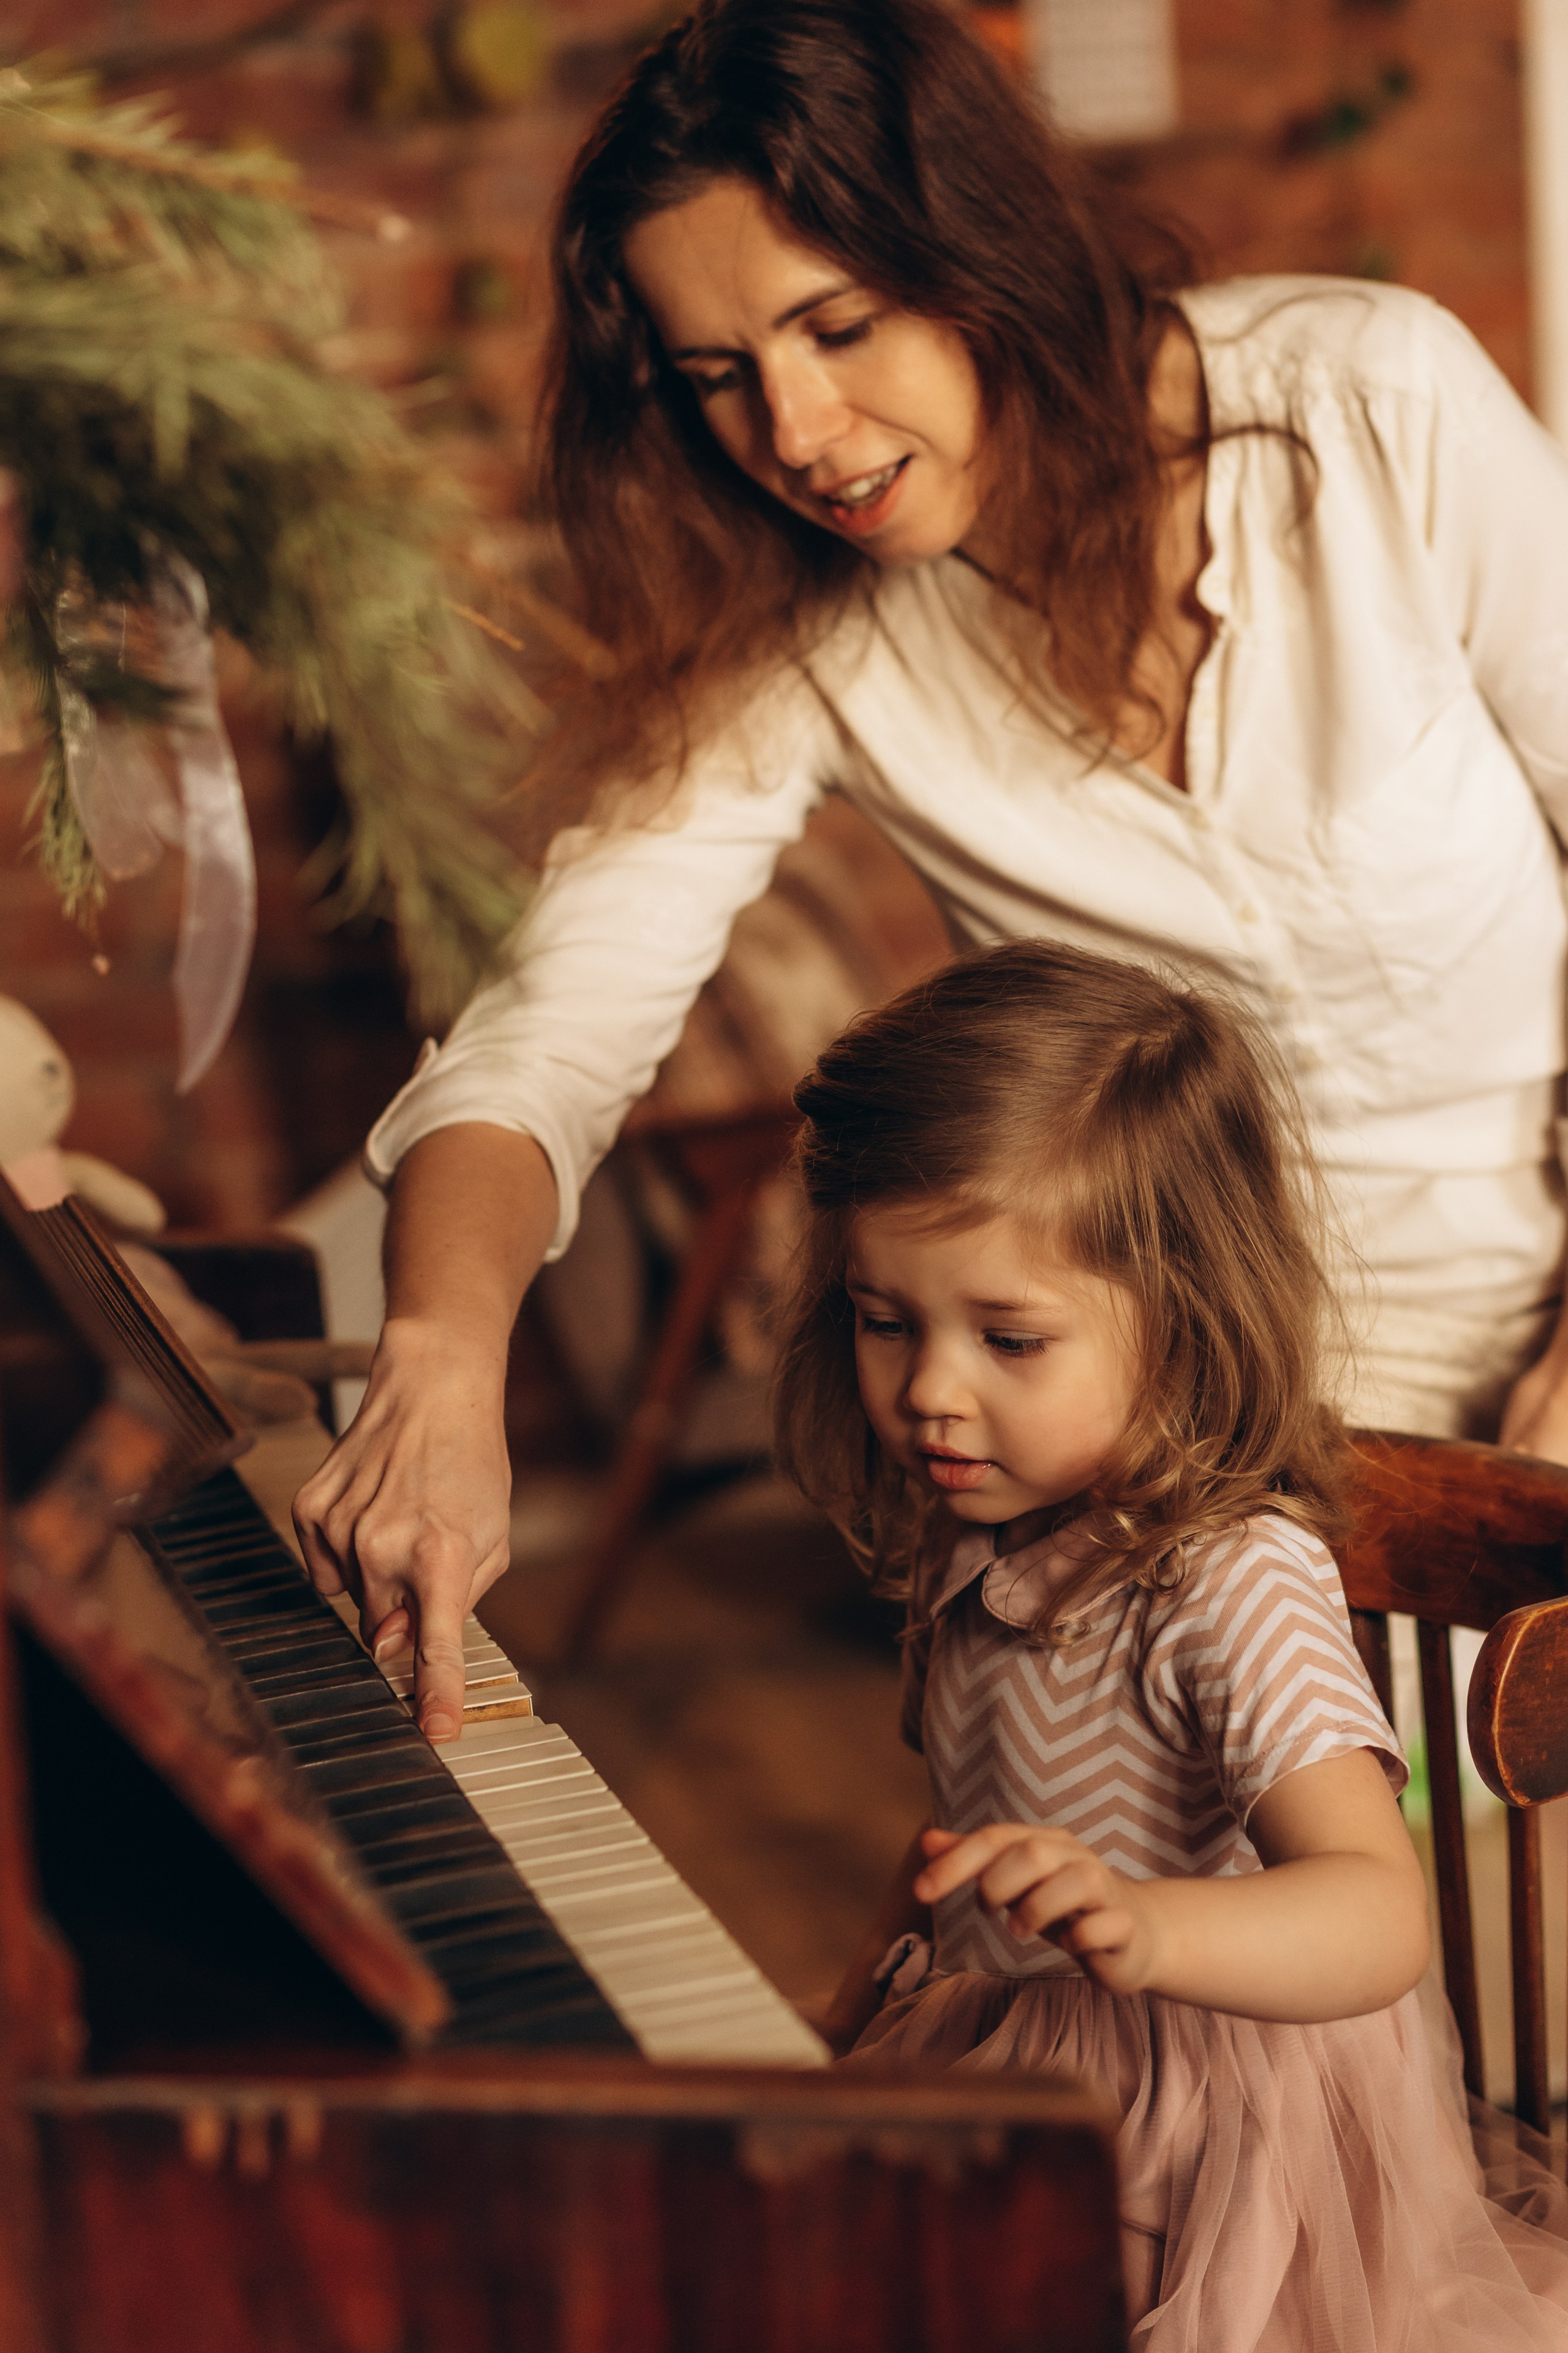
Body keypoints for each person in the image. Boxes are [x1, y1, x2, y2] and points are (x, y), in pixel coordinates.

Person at [294, 0, 1568, 1740]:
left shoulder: (1371, 407)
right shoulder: (795, 629)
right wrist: (440, 1353)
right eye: (718, 377)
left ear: (981, 252)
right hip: (1198, 1419)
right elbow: (552, 1035)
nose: (800, 431)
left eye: (840, 325)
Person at [774, 938, 1568, 2351]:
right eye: (884, 1320)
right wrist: (849, 2005)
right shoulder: (974, 1532)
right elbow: (966, 1836)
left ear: (1182, 1321)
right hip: (1018, 2053)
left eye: (1009, 1339)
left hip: (1210, 2130)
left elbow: (1375, 1913)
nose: (929, 1393)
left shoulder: (1227, 1580)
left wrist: (1144, 1925)